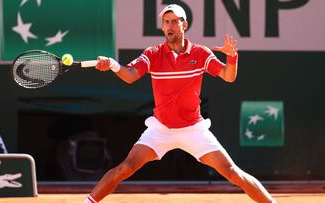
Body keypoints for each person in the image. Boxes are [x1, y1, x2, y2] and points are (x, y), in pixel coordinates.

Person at [84, 4, 276, 203]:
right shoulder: (152, 54)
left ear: (184, 24)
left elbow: (228, 76)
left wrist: (233, 57)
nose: (170, 26)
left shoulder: (200, 53)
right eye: (166, 22)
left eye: (174, 22)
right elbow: (131, 76)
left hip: (194, 129)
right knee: (125, 168)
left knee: (233, 173)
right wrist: (114, 65)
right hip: (161, 129)